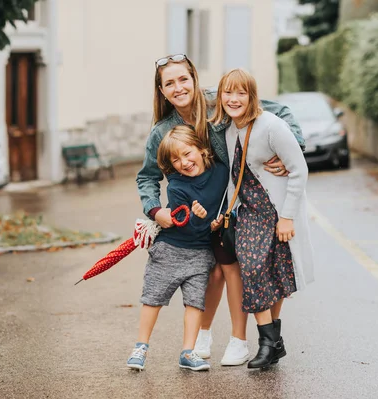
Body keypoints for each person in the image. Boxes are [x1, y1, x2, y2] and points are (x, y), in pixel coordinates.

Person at [136, 54, 305, 365]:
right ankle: (204, 335)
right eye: (169, 83)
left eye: (183, 79)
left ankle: (241, 340)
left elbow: (279, 111)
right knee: (210, 273)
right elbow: (147, 177)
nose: (178, 87)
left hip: (235, 203)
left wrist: (291, 148)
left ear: (194, 79)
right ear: (161, 91)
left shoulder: (219, 102)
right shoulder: (161, 131)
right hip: (193, 215)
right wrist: (154, 210)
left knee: (238, 267)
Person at [210, 68, 315, 369]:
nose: (233, 98)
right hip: (250, 213)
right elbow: (235, 176)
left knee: (278, 275)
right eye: (228, 92)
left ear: (252, 96)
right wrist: (224, 213)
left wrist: (287, 218)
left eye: (241, 92)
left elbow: (299, 170)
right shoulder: (230, 130)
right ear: (220, 97)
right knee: (253, 268)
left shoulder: (272, 126)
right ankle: (268, 342)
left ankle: (272, 344)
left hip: (277, 211)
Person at [126, 125, 227, 372]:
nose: (184, 162)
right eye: (176, 159)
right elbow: (187, 227)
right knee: (153, 298)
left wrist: (216, 222)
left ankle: (188, 352)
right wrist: (199, 218)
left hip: (201, 254)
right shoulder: (176, 187)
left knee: (195, 303)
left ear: (202, 149)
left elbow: (227, 201)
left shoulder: (222, 173)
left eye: (187, 153)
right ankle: (140, 347)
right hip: (171, 249)